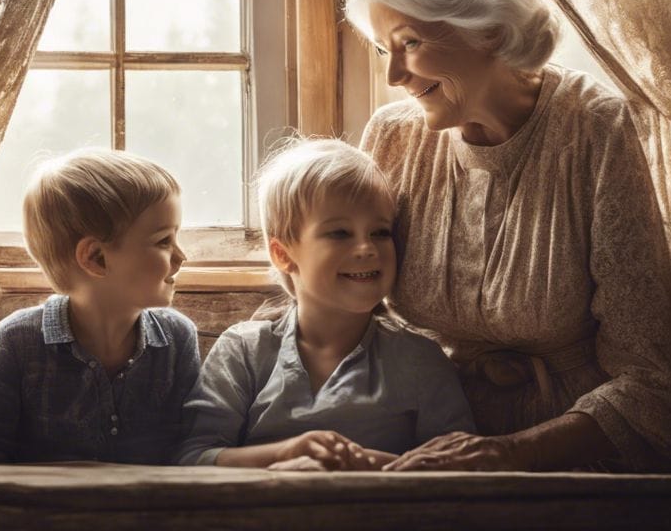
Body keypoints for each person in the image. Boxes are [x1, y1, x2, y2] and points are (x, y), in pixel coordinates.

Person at [344, 0, 671, 472]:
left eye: (410, 43)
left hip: (581, 460)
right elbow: (341, 315)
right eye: (382, 50)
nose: (394, 74)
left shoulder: (594, 126)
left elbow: (651, 383)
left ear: (487, 29)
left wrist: (503, 454)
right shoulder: (393, 138)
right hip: (428, 448)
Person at [174, 138, 475, 470]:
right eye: (340, 233)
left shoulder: (419, 360)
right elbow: (193, 457)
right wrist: (283, 454)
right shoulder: (244, 351)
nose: (366, 248)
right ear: (283, 254)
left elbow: (460, 467)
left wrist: (361, 465)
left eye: (380, 232)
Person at [0, 149, 200, 463]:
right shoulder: (18, 340)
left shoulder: (178, 338)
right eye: (164, 241)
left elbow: (192, 448)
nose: (181, 257)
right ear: (96, 258)